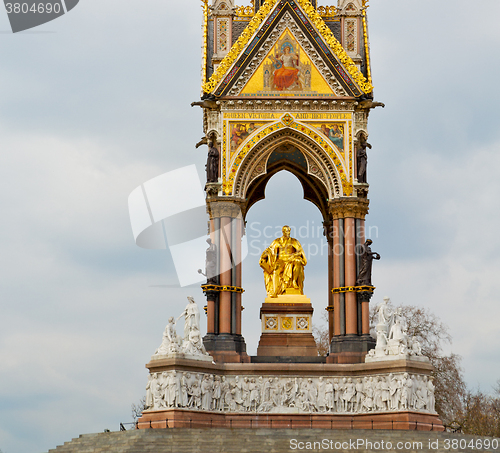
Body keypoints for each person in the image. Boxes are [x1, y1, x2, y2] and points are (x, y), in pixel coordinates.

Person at [259, 225, 307, 297]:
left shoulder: (294, 241)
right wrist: (265, 255)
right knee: (276, 270)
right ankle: (275, 291)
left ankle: (294, 282)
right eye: (285, 231)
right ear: (282, 232)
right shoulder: (277, 241)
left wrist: (296, 256)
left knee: (298, 261)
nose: (287, 232)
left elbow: (301, 253)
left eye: (288, 231)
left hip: (291, 260)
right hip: (280, 261)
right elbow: (269, 250)